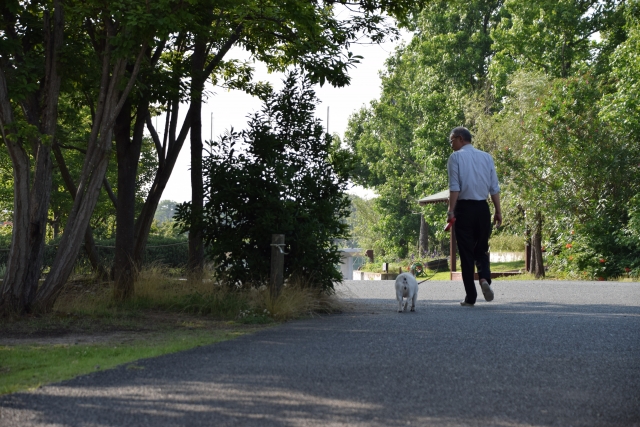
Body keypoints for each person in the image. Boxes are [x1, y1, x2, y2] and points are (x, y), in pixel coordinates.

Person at [447, 126, 502, 306]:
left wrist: (451, 211)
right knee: (482, 248)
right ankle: (485, 279)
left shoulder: (455, 158)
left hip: (464, 208)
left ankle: (471, 297)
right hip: (482, 208)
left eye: (452, 140)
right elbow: (494, 188)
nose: (451, 144)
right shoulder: (487, 157)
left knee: (466, 253)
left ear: (461, 138)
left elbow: (455, 187)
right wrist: (498, 211)